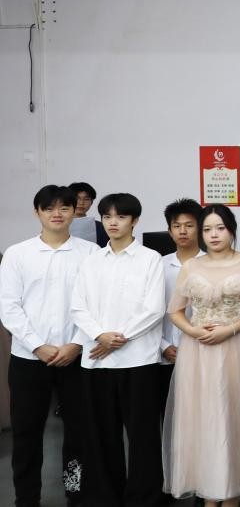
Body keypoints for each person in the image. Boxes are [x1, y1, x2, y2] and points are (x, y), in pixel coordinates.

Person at [164, 205, 240, 505]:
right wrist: (194, 330)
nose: (214, 235)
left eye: (220, 228)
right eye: (208, 229)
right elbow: (175, 311)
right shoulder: (191, 266)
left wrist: (230, 329)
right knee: (202, 420)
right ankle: (209, 495)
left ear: (231, 230)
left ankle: (231, 495)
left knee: (233, 417)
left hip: (236, 347)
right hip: (198, 352)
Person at [1, 185, 98, 507]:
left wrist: (77, 344)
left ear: (74, 212)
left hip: (76, 358)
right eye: (49, 208)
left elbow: (98, 305)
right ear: (37, 212)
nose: (57, 214)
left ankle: (75, 493)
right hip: (29, 359)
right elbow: (9, 307)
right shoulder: (17, 254)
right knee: (26, 433)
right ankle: (26, 499)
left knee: (79, 432)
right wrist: (37, 346)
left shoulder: (91, 254)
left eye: (64, 208)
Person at [70, 193, 166, 506]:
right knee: (100, 434)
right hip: (97, 362)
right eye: (108, 216)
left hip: (138, 360)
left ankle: (144, 497)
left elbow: (154, 309)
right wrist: (101, 335)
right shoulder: (91, 260)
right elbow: (78, 306)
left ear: (134, 221)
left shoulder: (150, 259)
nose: (113, 222)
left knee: (143, 436)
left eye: (121, 216)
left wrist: (116, 339)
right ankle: (104, 496)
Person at [158, 199, 204, 399]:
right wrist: (163, 346)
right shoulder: (158, 265)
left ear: (200, 228)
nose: (182, 231)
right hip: (164, 352)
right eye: (177, 226)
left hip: (202, 351)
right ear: (170, 231)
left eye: (189, 226)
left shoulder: (210, 264)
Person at [68, 181, 108, 246]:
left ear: (91, 202)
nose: (81, 203)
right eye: (77, 198)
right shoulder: (59, 225)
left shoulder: (100, 227)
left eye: (86, 199)